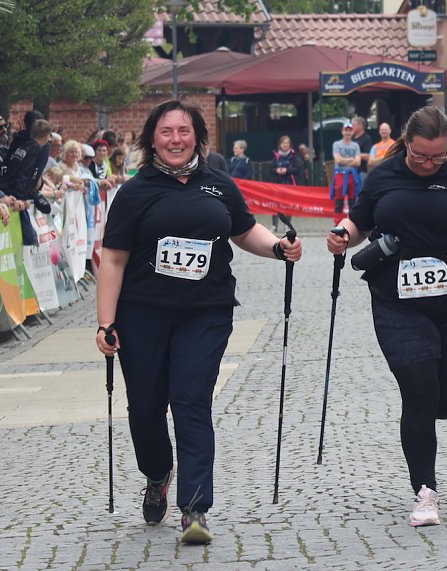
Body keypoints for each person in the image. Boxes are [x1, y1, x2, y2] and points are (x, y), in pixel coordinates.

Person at [95, 100, 302, 545]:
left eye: (184, 131)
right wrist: (105, 323)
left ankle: (195, 508)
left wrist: (277, 247)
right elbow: (112, 259)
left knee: (191, 401)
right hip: (143, 313)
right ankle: (156, 474)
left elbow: (244, 230)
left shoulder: (219, 185)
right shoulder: (135, 192)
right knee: (146, 408)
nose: (175, 139)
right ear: (152, 138)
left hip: (205, 312)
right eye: (166, 132)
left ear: (198, 137)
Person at [326, 105, 447, 528]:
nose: (428, 164)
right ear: (405, 144)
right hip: (396, 298)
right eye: (420, 156)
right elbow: (359, 221)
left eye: (437, 157)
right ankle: (425, 491)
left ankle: (437, 416)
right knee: (419, 389)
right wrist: (342, 236)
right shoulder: (384, 175)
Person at [330, 120, 361, 225]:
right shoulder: (336, 144)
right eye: (346, 130)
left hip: (352, 175)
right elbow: (337, 160)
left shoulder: (355, 146)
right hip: (340, 174)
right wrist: (351, 160)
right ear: (342, 131)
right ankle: (337, 223)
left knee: (352, 200)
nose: (348, 132)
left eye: (350, 130)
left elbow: (358, 162)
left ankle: (351, 223)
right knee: (339, 200)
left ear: (352, 132)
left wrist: (344, 160)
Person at [270, 135, 302, 232]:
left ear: (290, 145)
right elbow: (271, 169)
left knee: (288, 205)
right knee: (276, 204)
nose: (285, 145)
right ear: (280, 145)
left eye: (287, 143)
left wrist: (287, 170)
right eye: (283, 143)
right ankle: (274, 225)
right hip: (278, 183)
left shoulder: (294, 156)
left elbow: (298, 168)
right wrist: (277, 170)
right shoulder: (276, 156)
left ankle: (287, 225)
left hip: (289, 183)